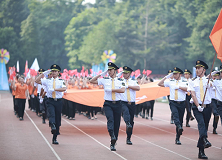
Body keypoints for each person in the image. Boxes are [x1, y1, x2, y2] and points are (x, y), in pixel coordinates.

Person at [90, 62, 125, 151]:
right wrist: (100, 74)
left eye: (111, 70)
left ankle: (113, 142)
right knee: (110, 119)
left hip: (118, 104)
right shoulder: (105, 79)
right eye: (108, 70)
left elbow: (122, 90)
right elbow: (91, 81)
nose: (109, 71)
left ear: (115, 70)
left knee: (117, 123)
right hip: (108, 104)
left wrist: (112, 89)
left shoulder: (120, 80)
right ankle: (111, 134)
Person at [35, 64, 66, 145]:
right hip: (50, 101)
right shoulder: (47, 80)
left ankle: (55, 137)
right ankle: (52, 126)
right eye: (52, 71)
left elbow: (64, 88)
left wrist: (55, 89)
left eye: (55, 71)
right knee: (52, 115)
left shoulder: (61, 81)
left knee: (58, 119)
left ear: (58, 72)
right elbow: (37, 81)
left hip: (58, 101)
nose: (54, 73)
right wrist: (43, 73)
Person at [188, 60, 212, 159]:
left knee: (204, 128)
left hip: (208, 107)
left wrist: (211, 80)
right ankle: (205, 140)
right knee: (201, 124)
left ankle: (201, 151)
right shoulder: (192, 81)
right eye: (196, 68)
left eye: (199, 68)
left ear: (204, 69)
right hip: (196, 107)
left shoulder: (209, 81)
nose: (197, 70)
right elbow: (193, 95)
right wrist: (198, 106)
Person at [158, 67, 188, 145]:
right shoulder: (171, 82)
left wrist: (179, 87)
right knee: (175, 115)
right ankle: (179, 126)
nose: (174, 75)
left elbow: (188, 89)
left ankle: (177, 138)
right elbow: (159, 84)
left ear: (180, 74)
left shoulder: (184, 82)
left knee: (180, 120)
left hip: (181, 103)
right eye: (173, 74)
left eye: (176, 74)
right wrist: (166, 77)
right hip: (173, 102)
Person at [121, 66, 140, 145]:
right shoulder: (120, 81)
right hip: (123, 102)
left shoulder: (133, 81)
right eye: (123, 73)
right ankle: (127, 123)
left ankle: (128, 138)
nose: (124, 74)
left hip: (131, 103)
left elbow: (138, 88)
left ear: (129, 74)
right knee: (126, 113)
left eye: (126, 73)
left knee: (131, 121)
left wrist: (128, 86)